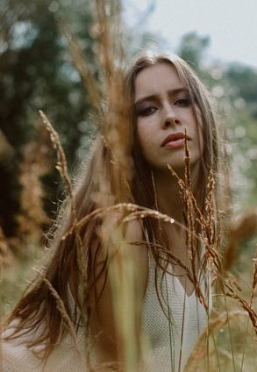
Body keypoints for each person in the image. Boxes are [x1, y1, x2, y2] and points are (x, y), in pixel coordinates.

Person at [1, 52, 221, 372]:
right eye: (148, 109)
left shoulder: (198, 232)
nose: (171, 117)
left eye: (183, 101)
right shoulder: (122, 230)